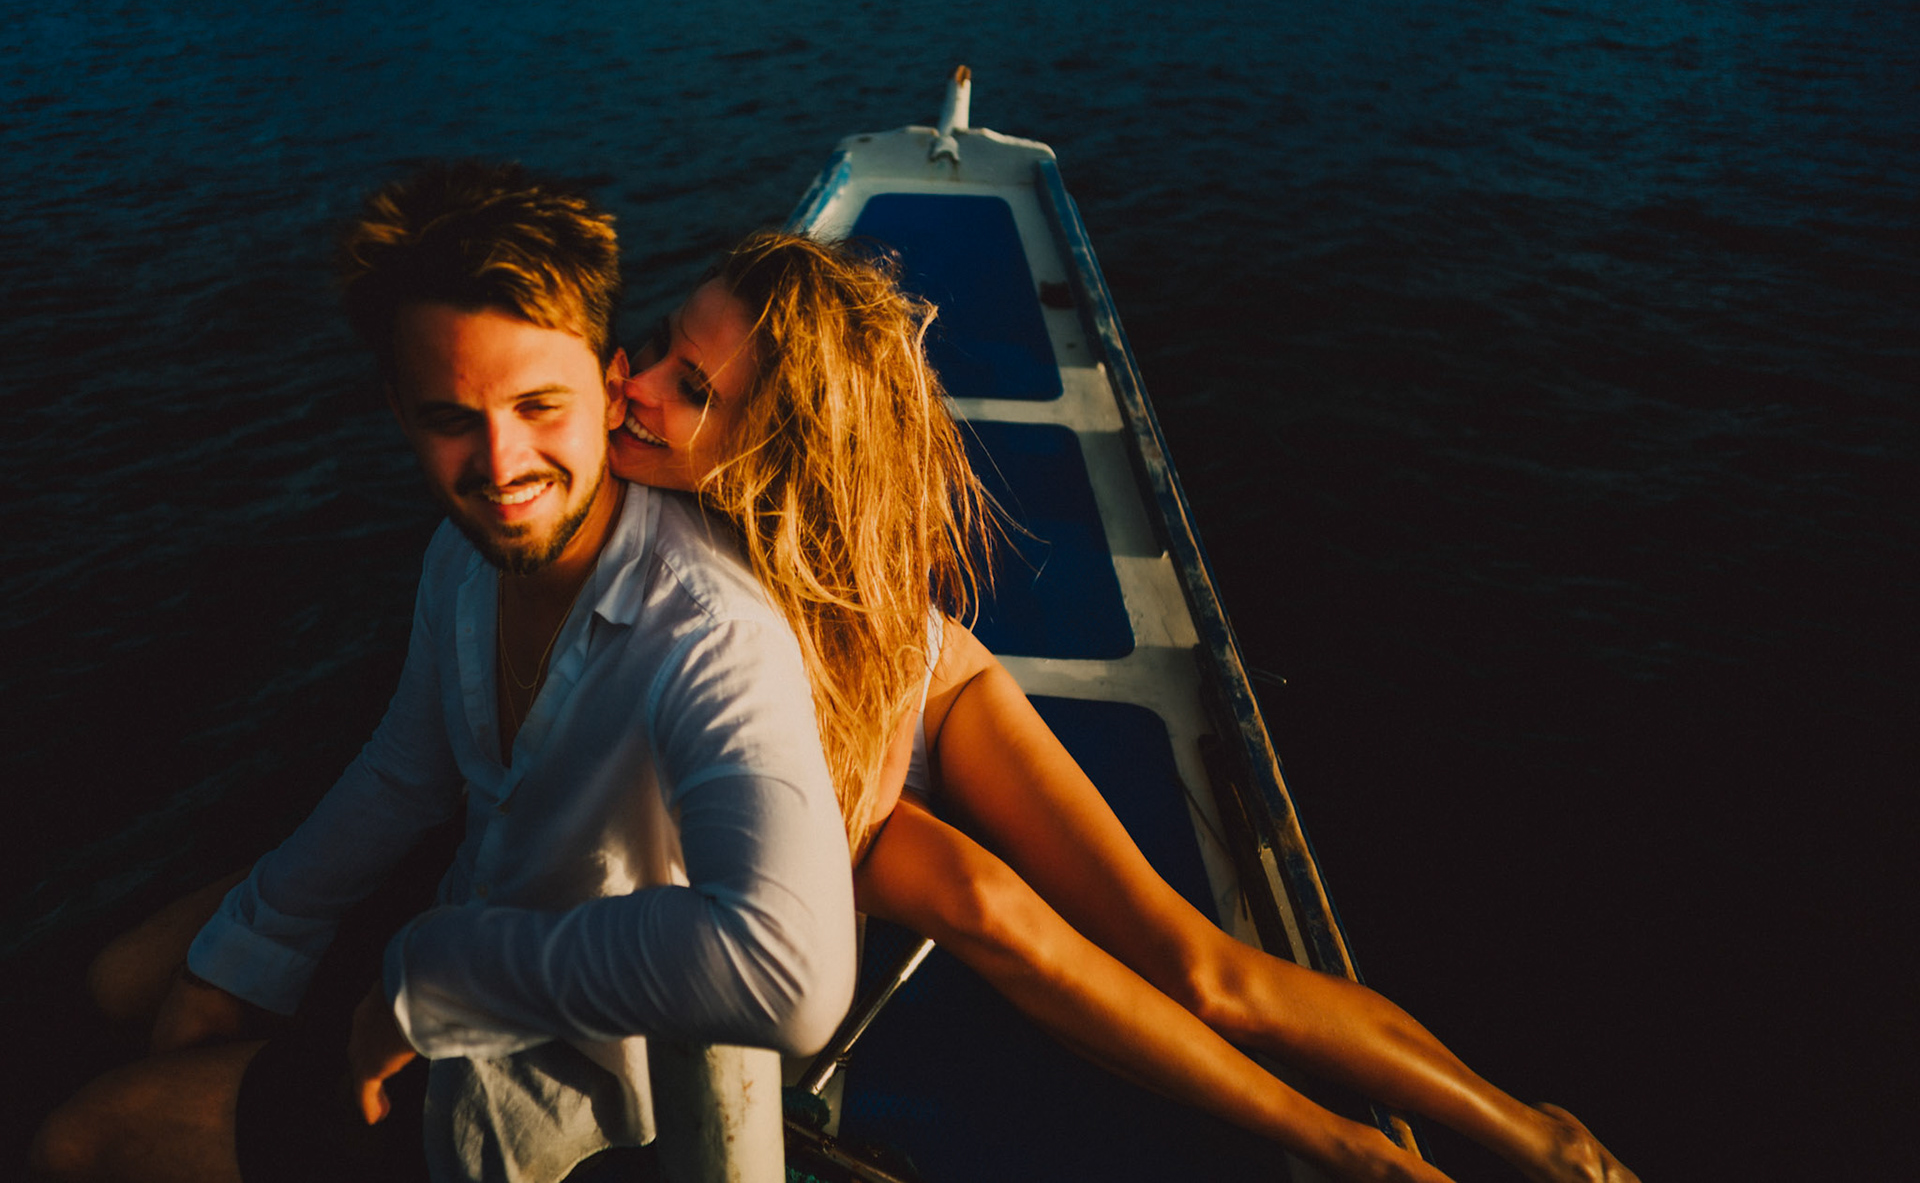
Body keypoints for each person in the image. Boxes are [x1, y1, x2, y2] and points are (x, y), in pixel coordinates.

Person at [605, 230, 1642, 1183]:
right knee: (981, 902)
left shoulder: (818, 528)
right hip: (825, 784)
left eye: (688, 385)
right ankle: (1356, 1152)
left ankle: (1543, 1134)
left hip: (915, 689)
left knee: (1204, 970)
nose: (636, 384)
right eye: (652, 345)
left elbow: (880, 667)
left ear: (776, 440)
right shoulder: (624, 501)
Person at [29, 166, 857, 1183]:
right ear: (398, 408)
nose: (501, 466)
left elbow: (793, 971)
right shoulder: (462, 558)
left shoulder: (707, 633)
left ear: (609, 384)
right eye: (452, 418)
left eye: (540, 405)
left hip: (563, 1063)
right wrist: (247, 945)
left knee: (78, 1141)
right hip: (466, 912)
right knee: (125, 982)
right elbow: (404, 769)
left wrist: (435, 979)